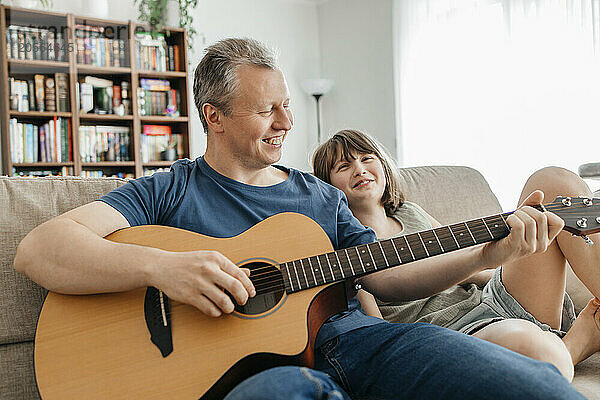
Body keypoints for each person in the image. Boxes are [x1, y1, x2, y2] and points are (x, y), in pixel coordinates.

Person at [15, 38, 585, 400]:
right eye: (268, 109)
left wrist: (489, 254)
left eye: (287, 104)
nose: (287, 120)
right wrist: (164, 269)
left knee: (536, 386)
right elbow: (40, 249)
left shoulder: (319, 197)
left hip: (357, 340)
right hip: (244, 374)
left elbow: (385, 277)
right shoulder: (168, 190)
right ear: (214, 117)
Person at [312, 128, 600, 382]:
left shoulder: (412, 213)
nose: (359, 168)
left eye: (366, 158)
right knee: (539, 352)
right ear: (328, 188)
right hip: (454, 335)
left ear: (384, 166)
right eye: (344, 166)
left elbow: (465, 264)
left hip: (490, 299)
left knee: (551, 180)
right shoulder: (345, 250)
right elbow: (380, 334)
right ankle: (574, 345)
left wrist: (512, 267)